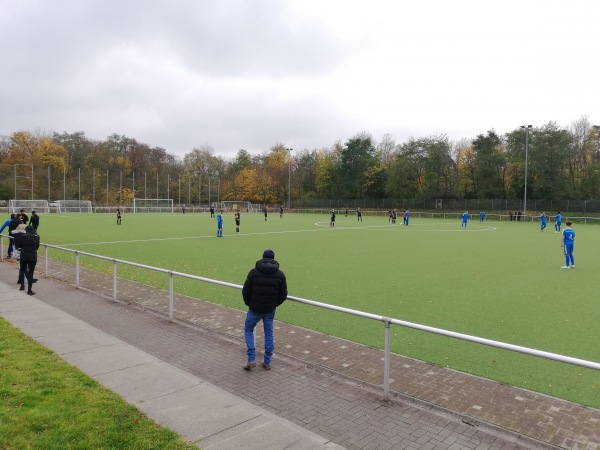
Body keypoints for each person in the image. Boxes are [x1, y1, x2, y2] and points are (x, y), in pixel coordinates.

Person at [242, 249, 288, 370]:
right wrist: (274, 304)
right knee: (269, 333)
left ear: (263, 258)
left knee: (248, 330)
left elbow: (246, 290)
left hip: (254, 308)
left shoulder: (253, 272)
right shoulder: (280, 275)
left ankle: (251, 358)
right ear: (274, 259)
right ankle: (267, 361)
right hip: (269, 309)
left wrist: (249, 303)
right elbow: (283, 295)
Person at [18, 225, 40, 295]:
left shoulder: (22, 236)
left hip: (24, 255)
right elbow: (37, 247)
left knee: (22, 269)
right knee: (31, 272)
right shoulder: (37, 237)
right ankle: (29, 290)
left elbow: (19, 245)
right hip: (32, 256)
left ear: (26, 230)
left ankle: (22, 285)